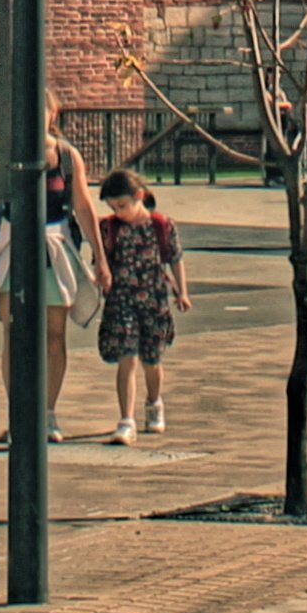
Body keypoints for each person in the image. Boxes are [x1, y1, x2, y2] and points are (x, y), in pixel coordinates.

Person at [0, 91, 104, 437]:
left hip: (54, 244)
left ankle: (47, 412)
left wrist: (100, 259)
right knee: (14, 333)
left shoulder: (65, 156)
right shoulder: (5, 153)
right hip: (13, 241)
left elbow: (83, 208)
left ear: (52, 114)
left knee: (53, 334)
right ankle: (19, 413)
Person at [91, 169, 189, 443]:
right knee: (127, 356)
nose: (118, 212)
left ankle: (154, 402)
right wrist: (101, 277)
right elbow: (101, 261)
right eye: (113, 207)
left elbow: (175, 258)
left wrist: (183, 292)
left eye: (122, 205)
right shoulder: (110, 228)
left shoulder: (161, 225)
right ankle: (126, 419)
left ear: (140, 196)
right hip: (122, 299)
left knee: (152, 360)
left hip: (154, 299)